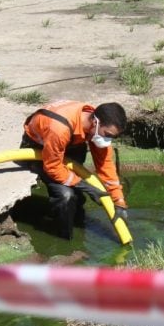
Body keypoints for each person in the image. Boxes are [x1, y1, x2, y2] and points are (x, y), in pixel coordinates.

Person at [20, 100, 128, 239]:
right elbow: (53, 166)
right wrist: (86, 186)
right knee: (66, 196)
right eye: (108, 134)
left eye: (113, 136)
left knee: (76, 193)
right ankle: (64, 238)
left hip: (70, 143)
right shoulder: (59, 129)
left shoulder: (96, 126)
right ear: (96, 123)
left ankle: (77, 219)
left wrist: (119, 201)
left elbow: (105, 165)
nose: (109, 139)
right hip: (40, 147)